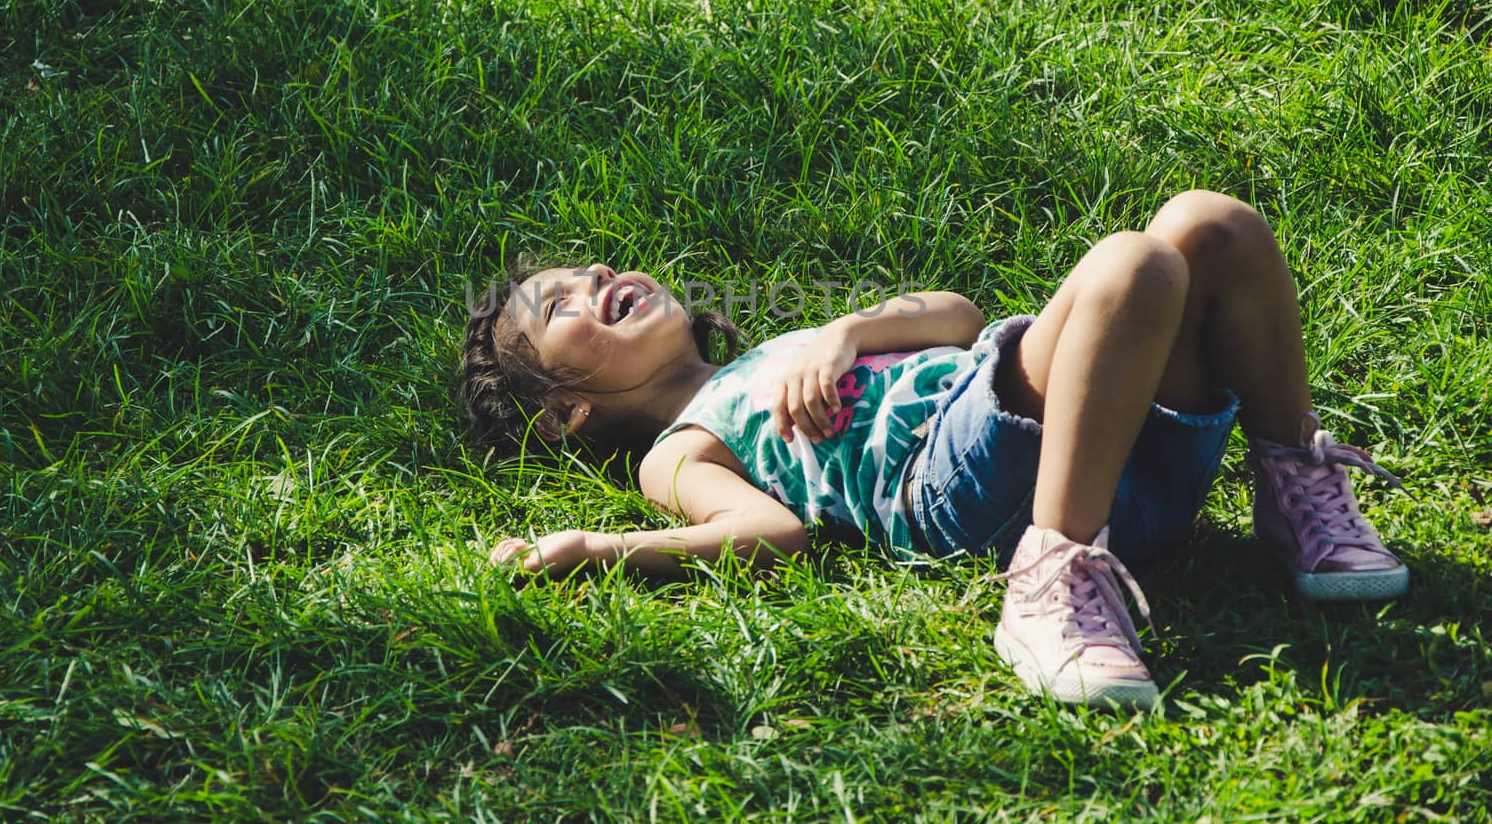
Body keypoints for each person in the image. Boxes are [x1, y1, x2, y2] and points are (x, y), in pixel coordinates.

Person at [460, 191, 1408, 709]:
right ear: (563, 417)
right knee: (1137, 261)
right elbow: (769, 532)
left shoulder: (780, 346)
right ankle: (1053, 575)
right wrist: (598, 549)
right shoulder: (678, 447)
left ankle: (1294, 492)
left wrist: (847, 331)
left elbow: (957, 315)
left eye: (589, 271)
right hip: (961, 485)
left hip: (1125, 461)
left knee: (1213, 225)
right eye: (561, 306)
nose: (596, 279)